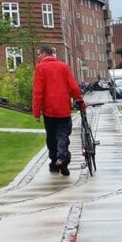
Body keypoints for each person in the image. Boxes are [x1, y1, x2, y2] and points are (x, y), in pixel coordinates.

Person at [32, 45, 84, 176]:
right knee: (63, 135)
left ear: (44, 53)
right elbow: (73, 86)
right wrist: (80, 100)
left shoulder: (40, 68)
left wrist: (36, 112)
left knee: (51, 138)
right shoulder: (63, 66)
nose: (38, 56)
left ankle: (54, 162)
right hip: (63, 109)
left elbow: (38, 92)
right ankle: (63, 159)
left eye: (39, 54)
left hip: (49, 110)